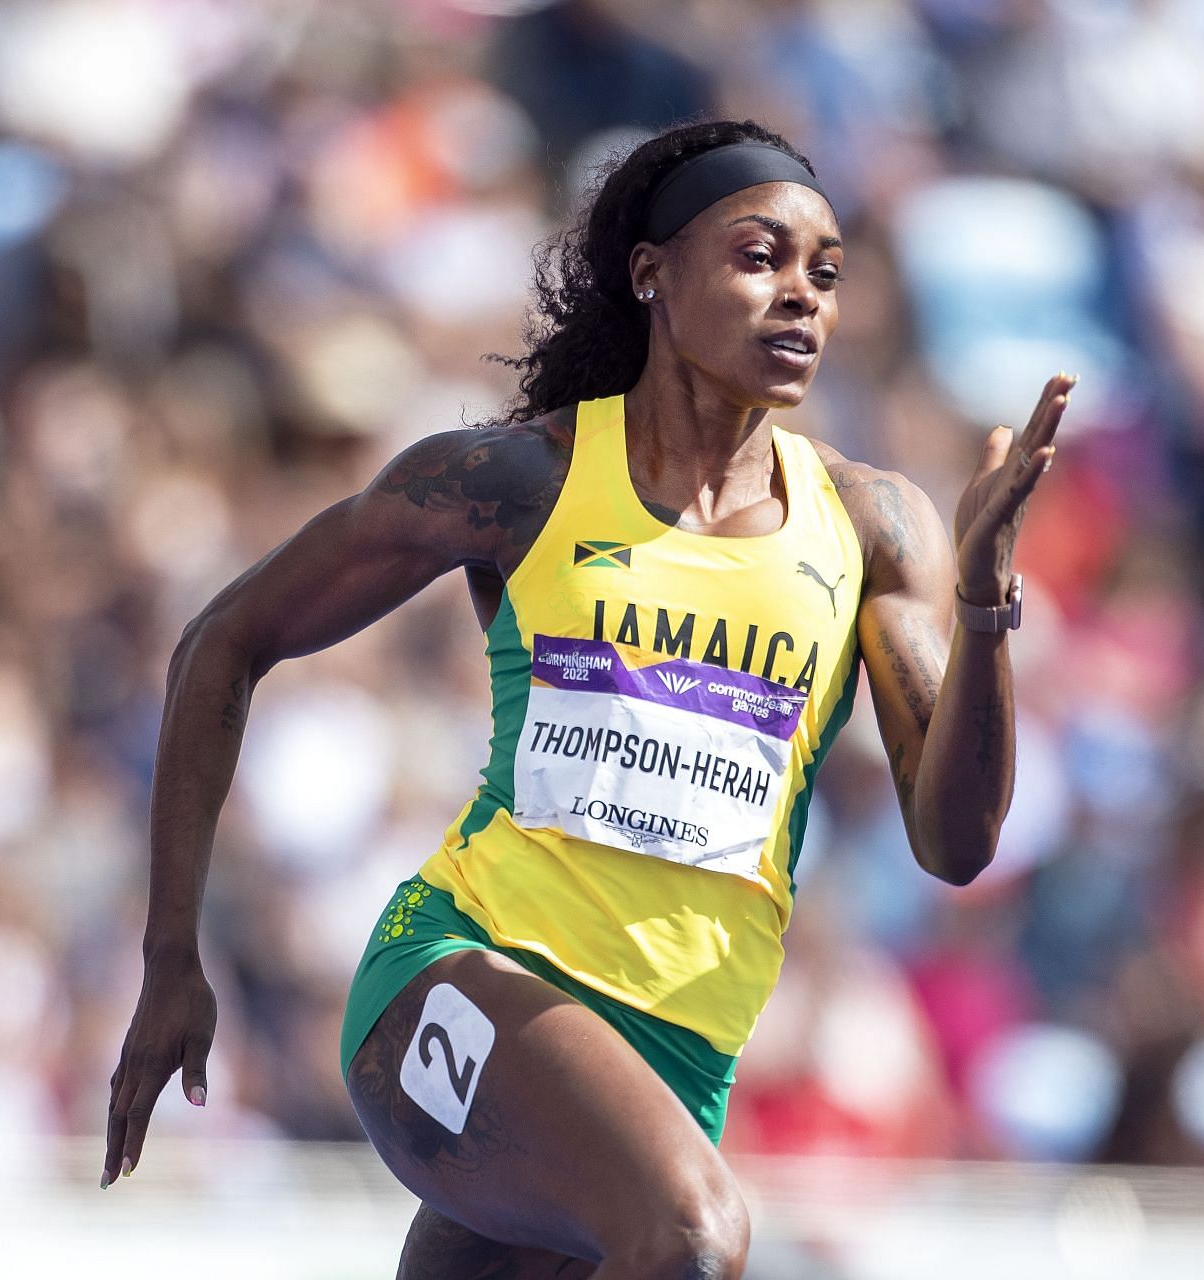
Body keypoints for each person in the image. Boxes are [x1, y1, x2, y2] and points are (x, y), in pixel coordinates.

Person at [100, 117, 1073, 1278]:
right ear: (650, 274)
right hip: (457, 978)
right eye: (759, 257)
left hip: (673, 1062)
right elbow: (222, 639)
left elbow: (957, 844)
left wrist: (980, 607)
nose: (801, 296)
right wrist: (171, 955)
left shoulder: (872, 526)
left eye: (825, 272)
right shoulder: (525, 478)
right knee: (693, 1234)